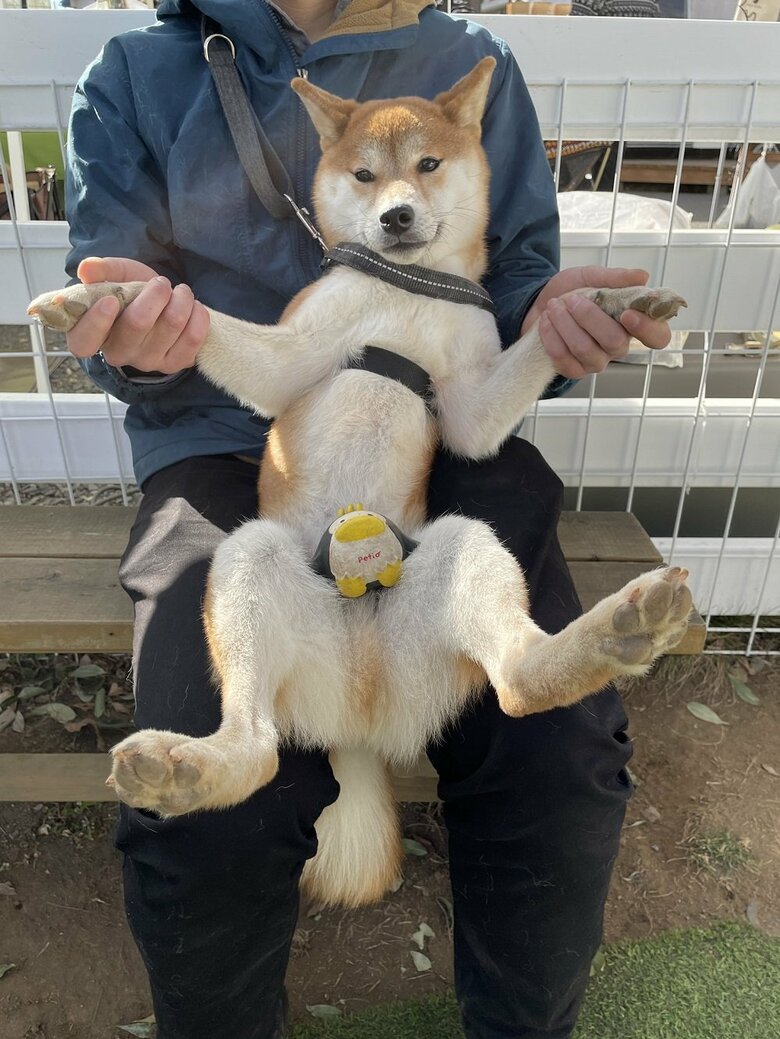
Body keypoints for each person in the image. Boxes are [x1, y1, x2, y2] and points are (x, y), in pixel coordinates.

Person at [62, 1, 673, 1036]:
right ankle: (246, 754)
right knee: (199, 814)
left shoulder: (468, 64)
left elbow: (516, 277)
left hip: (437, 427)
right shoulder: (133, 77)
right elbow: (106, 300)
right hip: (221, 440)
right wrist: (122, 334)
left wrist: (553, 326)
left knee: (562, 758)